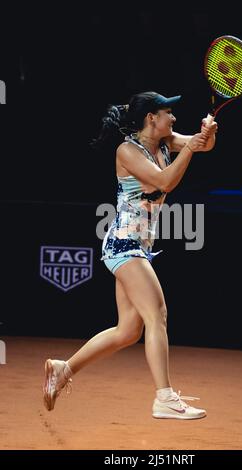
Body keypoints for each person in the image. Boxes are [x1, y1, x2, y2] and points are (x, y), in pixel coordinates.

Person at [43, 91, 218, 419]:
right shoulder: (127, 151)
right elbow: (165, 180)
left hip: (140, 247)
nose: (174, 118)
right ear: (152, 118)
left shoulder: (166, 144)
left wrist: (207, 132)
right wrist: (193, 147)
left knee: (127, 331)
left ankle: (63, 368)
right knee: (158, 314)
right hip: (124, 244)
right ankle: (164, 398)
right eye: (169, 113)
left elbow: (202, 144)